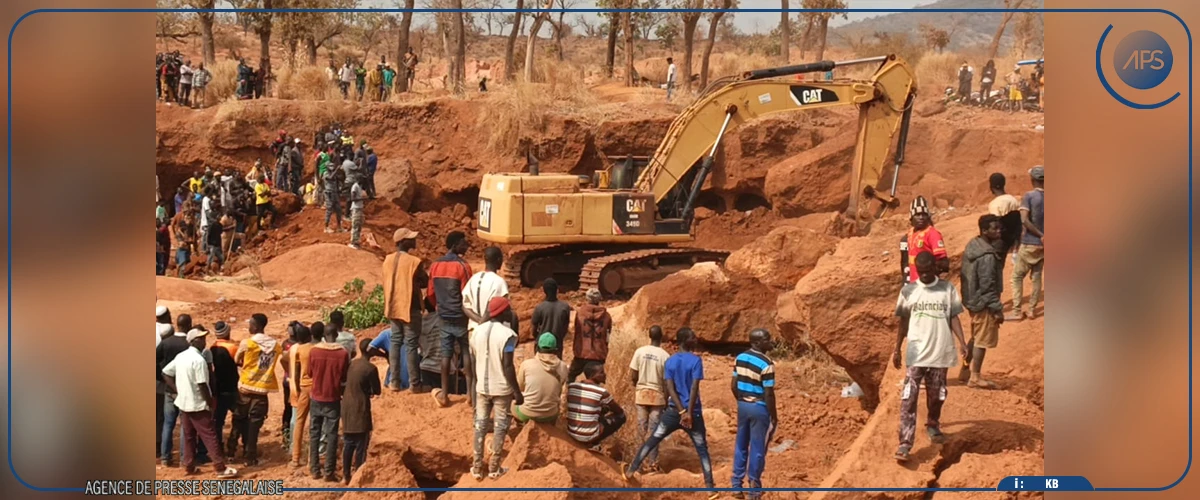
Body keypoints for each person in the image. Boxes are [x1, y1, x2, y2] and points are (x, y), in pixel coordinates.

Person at [892, 251, 969, 462]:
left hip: (940, 351)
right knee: (909, 397)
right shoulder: (908, 291)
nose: (925, 275)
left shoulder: (947, 289)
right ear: (917, 269)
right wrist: (897, 348)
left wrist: (962, 341)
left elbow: (953, 316)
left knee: (938, 395)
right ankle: (905, 443)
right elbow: (903, 322)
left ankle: (933, 425)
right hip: (916, 353)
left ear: (935, 268)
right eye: (921, 272)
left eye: (928, 271)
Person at [621, 328, 716, 497]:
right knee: (702, 449)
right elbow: (694, 387)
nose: (695, 339)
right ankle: (710, 487)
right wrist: (688, 412)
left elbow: (670, 388)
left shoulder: (670, 361)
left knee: (652, 439)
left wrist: (680, 410)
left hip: (673, 412)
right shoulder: (695, 361)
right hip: (693, 414)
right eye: (692, 337)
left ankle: (631, 470)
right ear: (686, 340)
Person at [162, 328, 240, 478]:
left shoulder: (181, 356)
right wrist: (210, 402)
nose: (204, 341)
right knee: (209, 435)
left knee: (189, 435)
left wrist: (178, 390)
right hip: (197, 403)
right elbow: (203, 384)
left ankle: (189, 466)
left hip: (184, 403)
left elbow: (166, 373)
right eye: (201, 338)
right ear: (193, 341)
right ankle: (219, 467)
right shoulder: (198, 360)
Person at [468, 297, 521, 480]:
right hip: (501, 389)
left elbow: (474, 359)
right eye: (508, 309)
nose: (510, 311)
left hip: (482, 386)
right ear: (502, 312)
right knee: (500, 427)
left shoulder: (476, 332)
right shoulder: (508, 335)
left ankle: (476, 468)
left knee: (480, 425)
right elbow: (508, 366)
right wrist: (517, 391)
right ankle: (494, 469)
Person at [731, 329, 778, 500]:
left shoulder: (740, 358)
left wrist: (742, 400)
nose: (770, 341)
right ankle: (754, 489)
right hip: (759, 407)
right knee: (758, 448)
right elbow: (769, 393)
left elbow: (733, 385)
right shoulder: (767, 363)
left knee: (741, 444)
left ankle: (736, 485)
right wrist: (773, 415)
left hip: (743, 406)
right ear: (757, 342)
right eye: (767, 339)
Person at [230, 314, 283, 466]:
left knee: (238, 420)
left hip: (245, 387)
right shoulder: (276, 345)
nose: (249, 327)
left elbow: (237, 360)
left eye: (251, 324)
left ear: (256, 326)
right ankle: (250, 457)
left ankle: (231, 452)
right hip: (262, 390)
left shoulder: (247, 343)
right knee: (254, 426)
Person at [959, 215, 1006, 388]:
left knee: (975, 335)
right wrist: (997, 309)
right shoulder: (987, 256)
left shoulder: (973, 245)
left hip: (972, 300)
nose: (998, 231)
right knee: (981, 340)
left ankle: (965, 369)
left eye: (999, 227)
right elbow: (987, 286)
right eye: (994, 228)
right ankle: (975, 377)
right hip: (983, 303)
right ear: (984, 231)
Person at [428, 231, 475, 404]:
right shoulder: (463, 266)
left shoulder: (435, 265)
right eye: (463, 243)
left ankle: (445, 395)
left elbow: (431, 293)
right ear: (455, 245)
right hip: (461, 316)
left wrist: (438, 306)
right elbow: (467, 294)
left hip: (444, 315)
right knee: (466, 351)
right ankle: (470, 395)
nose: (467, 245)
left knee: (446, 354)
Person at [383, 228, 430, 393]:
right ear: (403, 242)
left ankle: (394, 382)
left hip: (393, 305)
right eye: (410, 239)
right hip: (410, 307)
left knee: (395, 342)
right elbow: (424, 282)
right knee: (411, 344)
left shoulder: (387, 260)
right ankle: (415, 384)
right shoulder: (414, 262)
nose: (414, 240)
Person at [307, 320, 350, 482]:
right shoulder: (343, 353)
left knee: (314, 433)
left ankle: (314, 469)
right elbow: (344, 377)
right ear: (337, 335)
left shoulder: (314, 351)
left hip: (316, 396)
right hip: (333, 397)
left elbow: (310, 373)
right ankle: (329, 472)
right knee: (332, 435)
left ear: (324, 335)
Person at [628, 325, 669, 473]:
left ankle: (636, 464)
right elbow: (667, 382)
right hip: (657, 397)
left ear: (649, 336)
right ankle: (653, 464)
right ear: (661, 337)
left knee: (641, 429)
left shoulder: (640, 351)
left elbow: (633, 374)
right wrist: (666, 398)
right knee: (654, 431)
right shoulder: (665, 356)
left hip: (641, 394)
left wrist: (637, 385)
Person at [343, 338, 381, 484]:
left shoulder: (352, 364)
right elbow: (377, 390)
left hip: (347, 406)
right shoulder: (370, 368)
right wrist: (368, 390)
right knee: (360, 445)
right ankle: (358, 476)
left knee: (348, 443)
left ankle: (345, 475)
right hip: (360, 407)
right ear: (371, 350)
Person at [1009, 166, 1045, 321]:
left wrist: (1040, 235)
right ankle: (1031, 310)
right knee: (1036, 276)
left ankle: (1017, 311)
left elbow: (1024, 219)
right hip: (1044, 245)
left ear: (1032, 180)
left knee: (1017, 277)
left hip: (1030, 241)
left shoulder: (1029, 196)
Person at [567, 362, 627, 450]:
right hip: (587, 435)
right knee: (621, 417)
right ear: (593, 375)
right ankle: (594, 442)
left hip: (571, 432)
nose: (605, 375)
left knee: (600, 409)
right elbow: (619, 411)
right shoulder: (601, 391)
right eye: (601, 372)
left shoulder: (572, 386)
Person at [157, 312, 190, 465]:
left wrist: (161, 377)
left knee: (168, 424)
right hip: (185, 390)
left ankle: (165, 458)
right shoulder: (190, 344)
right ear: (189, 325)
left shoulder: (166, 342)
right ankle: (184, 458)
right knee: (184, 425)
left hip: (169, 389)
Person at [515, 333, 568, 425]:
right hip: (551, 414)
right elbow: (559, 390)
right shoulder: (563, 367)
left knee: (510, 403)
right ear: (556, 350)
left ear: (537, 348)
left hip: (527, 413)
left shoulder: (527, 364)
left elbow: (520, 387)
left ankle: (521, 426)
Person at [899, 196, 948, 284]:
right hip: (913, 283)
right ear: (911, 217)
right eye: (917, 215)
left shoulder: (933, 234)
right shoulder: (909, 234)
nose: (921, 217)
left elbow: (943, 263)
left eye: (924, 214)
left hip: (927, 284)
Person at [209, 321, 241, 457]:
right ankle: (232, 445)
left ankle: (218, 448)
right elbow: (241, 362)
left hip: (219, 388)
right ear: (227, 332)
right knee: (239, 417)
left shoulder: (212, 348)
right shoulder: (233, 348)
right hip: (232, 388)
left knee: (218, 421)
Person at [569, 288, 611, 382]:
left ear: (587, 299)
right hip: (598, 354)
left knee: (570, 376)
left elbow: (577, 330)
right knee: (595, 382)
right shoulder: (606, 316)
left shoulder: (580, 313)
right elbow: (608, 336)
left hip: (581, 353)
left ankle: (570, 394)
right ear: (599, 299)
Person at [531, 278, 572, 358]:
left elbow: (534, 328)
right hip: (557, 344)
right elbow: (565, 327)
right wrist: (559, 337)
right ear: (557, 290)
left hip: (541, 344)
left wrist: (537, 337)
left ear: (544, 291)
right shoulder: (565, 307)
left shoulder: (539, 308)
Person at [987, 173, 1023, 260]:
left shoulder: (994, 204)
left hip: (1003, 243)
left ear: (991, 187)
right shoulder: (1013, 199)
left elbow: (995, 225)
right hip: (1016, 241)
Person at [323, 159, 345, 233]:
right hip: (329, 193)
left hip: (335, 193)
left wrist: (340, 172)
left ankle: (339, 227)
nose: (332, 167)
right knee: (329, 209)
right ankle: (326, 227)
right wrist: (336, 170)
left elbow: (340, 178)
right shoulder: (325, 173)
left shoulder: (334, 174)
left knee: (338, 209)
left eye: (332, 166)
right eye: (330, 166)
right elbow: (330, 178)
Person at [348, 178, 367, 250]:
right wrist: (362, 199)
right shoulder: (355, 186)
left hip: (359, 208)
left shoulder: (359, 187)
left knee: (359, 225)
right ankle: (353, 242)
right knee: (355, 225)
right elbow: (353, 198)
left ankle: (357, 241)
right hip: (355, 208)